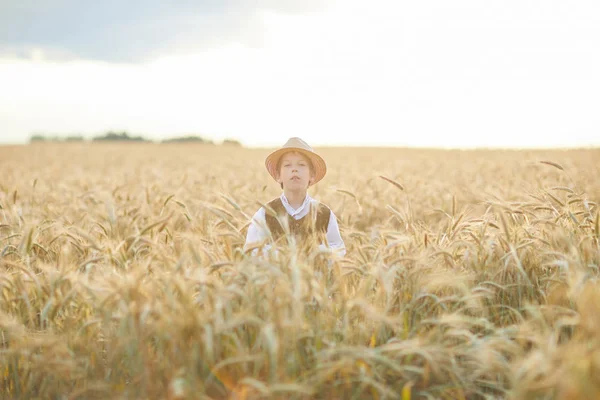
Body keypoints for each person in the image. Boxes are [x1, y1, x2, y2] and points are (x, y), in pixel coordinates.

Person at [244, 137, 345, 258]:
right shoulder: (264, 214)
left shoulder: (325, 214)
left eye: (301, 164)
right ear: (278, 176)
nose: (294, 169)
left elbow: (338, 249)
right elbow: (251, 252)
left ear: (311, 175)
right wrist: (280, 256)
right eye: (287, 165)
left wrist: (317, 254)